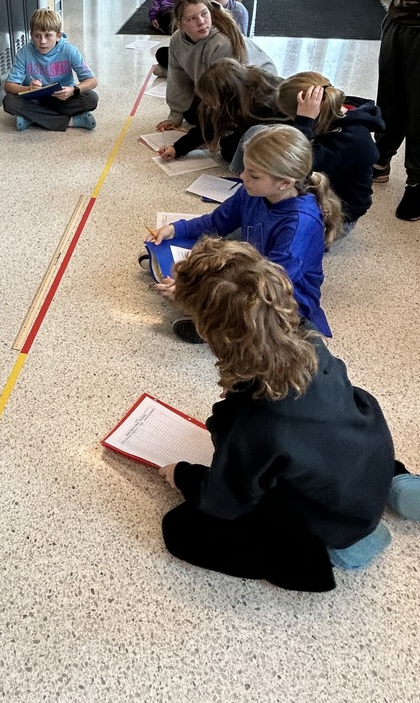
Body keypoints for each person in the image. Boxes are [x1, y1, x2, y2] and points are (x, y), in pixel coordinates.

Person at [159, 238, 419, 592]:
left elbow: (226, 500)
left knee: (180, 530)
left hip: (331, 516)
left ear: (212, 333)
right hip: (366, 461)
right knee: (314, 444)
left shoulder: (257, 422)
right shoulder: (310, 341)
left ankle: (327, 551)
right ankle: (395, 484)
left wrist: (183, 476)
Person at [148, 125, 341, 342]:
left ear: (285, 183)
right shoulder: (252, 191)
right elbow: (217, 221)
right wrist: (176, 229)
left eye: (253, 175)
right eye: (245, 169)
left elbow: (269, 286)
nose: (242, 176)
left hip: (283, 297)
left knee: (229, 297)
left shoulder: (299, 223)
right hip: (254, 272)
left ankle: (212, 327)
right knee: (205, 258)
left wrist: (200, 293)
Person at [156, 0, 276, 134]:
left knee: (202, 120)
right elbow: (178, 78)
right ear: (180, 24)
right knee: (190, 112)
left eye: (204, 14)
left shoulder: (221, 43)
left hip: (250, 88)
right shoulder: (177, 39)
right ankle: (169, 71)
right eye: (192, 19)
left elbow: (227, 92)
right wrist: (175, 116)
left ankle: (166, 71)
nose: (201, 22)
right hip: (209, 79)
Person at [276, 72, 383, 229]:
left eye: (293, 117)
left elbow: (297, 166)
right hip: (321, 189)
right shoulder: (336, 112)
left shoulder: (351, 138)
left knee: (278, 184)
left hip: (338, 215)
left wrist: (304, 122)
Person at [372, 0, 420, 221]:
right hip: (398, 21)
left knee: (419, 109)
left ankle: (416, 180)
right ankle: (381, 158)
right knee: (389, 98)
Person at [156, 59, 284, 163]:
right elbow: (208, 127)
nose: (209, 104)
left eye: (211, 100)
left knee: (230, 150)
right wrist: (177, 148)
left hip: (280, 134)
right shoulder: (235, 93)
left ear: (227, 97)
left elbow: (267, 135)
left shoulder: (261, 103)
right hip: (252, 122)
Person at [2, 8, 98, 132]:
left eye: (48, 36)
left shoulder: (69, 50)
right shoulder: (24, 53)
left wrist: (73, 90)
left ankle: (32, 117)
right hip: (34, 99)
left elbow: (93, 81)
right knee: (9, 102)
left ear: (58, 35)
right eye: (37, 36)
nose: (42, 41)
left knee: (91, 98)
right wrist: (28, 88)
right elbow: (9, 86)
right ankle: (71, 121)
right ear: (31, 35)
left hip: (61, 98)